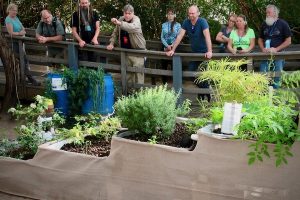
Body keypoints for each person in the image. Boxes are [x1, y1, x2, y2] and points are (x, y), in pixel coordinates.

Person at [166, 5, 213, 100]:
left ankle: (204, 93)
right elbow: (179, 36)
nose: (191, 15)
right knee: (191, 73)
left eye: (193, 13)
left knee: (203, 74)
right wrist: (173, 50)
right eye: (190, 13)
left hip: (204, 54)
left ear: (198, 13)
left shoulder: (202, 22)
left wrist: (210, 51)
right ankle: (205, 89)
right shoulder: (186, 22)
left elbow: (207, 37)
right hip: (195, 53)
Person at [106, 4, 146, 84]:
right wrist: (111, 43)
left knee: (138, 74)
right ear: (123, 13)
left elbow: (132, 27)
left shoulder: (136, 20)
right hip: (126, 51)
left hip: (138, 52)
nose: (127, 15)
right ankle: (127, 93)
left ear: (133, 13)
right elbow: (115, 33)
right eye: (125, 13)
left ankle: (139, 94)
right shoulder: (121, 19)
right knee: (127, 74)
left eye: (129, 13)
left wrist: (119, 23)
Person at [5, 3, 40, 86]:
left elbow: (23, 28)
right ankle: (31, 79)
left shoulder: (16, 18)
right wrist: (20, 33)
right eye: (13, 10)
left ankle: (24, 78)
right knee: (22, 61)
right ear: (9, 10)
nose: (15, 12)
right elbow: (10, 33)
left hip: (21, 42)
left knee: (24, 60)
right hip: (15, 43)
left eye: (16, 11)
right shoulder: (8, 19)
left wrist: (22, 32)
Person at [258, 4, 292, 89]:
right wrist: (262, 49)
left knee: (277, 76)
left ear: (275, 13)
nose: (267, 15)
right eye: (266, 13)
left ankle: (275, 96)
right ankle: (264, 95)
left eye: (269, 13)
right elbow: (260, 39)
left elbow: (288, 41)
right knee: (263, 75)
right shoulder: (264, 24)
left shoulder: (283, 24)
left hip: (278, 55)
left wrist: (276, 49)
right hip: (265, 55)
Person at [160, 8, 181, 83]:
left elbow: (178, 37)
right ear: (166, 15)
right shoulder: (164, 25)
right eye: (169, 14)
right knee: (164, 64)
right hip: (165, 46)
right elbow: (162, 37)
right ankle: (164, 82)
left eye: (172, 14)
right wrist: (166, 46)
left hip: (174, 47)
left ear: (174, 15)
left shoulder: (178, 25)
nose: (170, 15)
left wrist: (172, 46)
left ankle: (175, 82)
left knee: (174, 64)